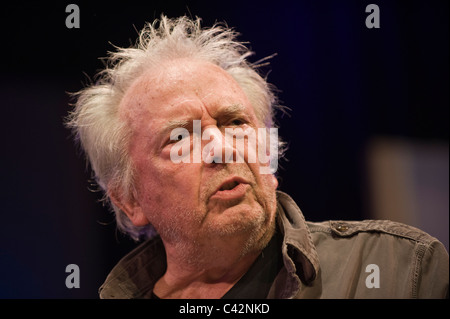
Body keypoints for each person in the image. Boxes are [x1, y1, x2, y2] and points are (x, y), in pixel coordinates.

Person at [66, 15, 448, 299]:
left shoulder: (399, 270)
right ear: (130, 200)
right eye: (180, 138)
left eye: (235, 122)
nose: (223, 148)